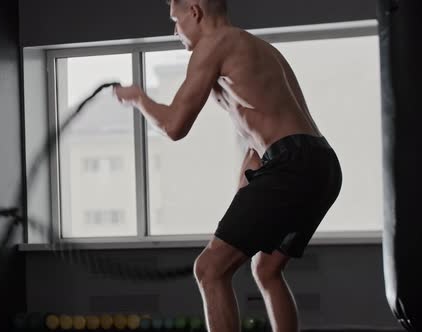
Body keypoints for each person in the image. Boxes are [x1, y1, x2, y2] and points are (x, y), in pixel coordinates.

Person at [112, 0, 343, 331]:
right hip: (319, 164)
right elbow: (259, 142)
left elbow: (175, 125)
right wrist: (237, 212)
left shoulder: (213, 45)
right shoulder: (258, 48)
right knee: (266, 270)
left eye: (175, 20)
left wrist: (138, 98)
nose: (175, 30)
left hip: (291, 164)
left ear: (195, 11)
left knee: (209, 270)